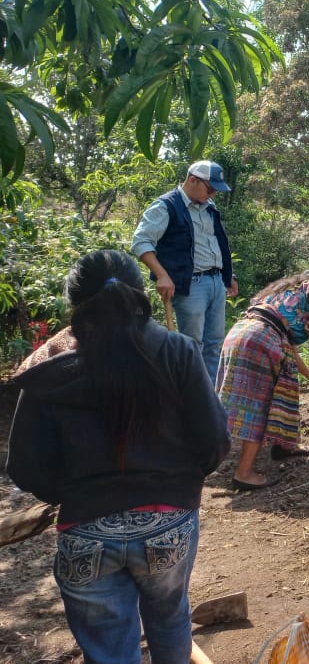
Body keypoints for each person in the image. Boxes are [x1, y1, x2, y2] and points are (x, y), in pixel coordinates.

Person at [6, 250, 230, 664]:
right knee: (169, 618)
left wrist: (74, 495)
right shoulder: (178, 350)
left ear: (75, 302)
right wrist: (179, 482)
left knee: (110, 651)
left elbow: (23, 465)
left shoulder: (48, 366)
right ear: (140, 293)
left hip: (85, 529)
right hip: (171, 521)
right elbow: (215, 440)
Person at [216, 269, 309, 489]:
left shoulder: (281, 295)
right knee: (259, 404)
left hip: (242, 334)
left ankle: (284, 445)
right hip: (260, 340)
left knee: (244, 396)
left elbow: (291, 351)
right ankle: (244, 474)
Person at [131, 160, 238, 381]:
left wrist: (228, 275)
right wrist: (161, 275)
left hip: (216, 281)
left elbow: (215, 242)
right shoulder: (166, 205)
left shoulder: (209, 208)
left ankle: (210, 399)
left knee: (215, 343)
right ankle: (192, 397)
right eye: (210, 189)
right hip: (191, 285)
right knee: (192, 344)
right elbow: (141, 242)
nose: (212, 195)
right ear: (192, 180)